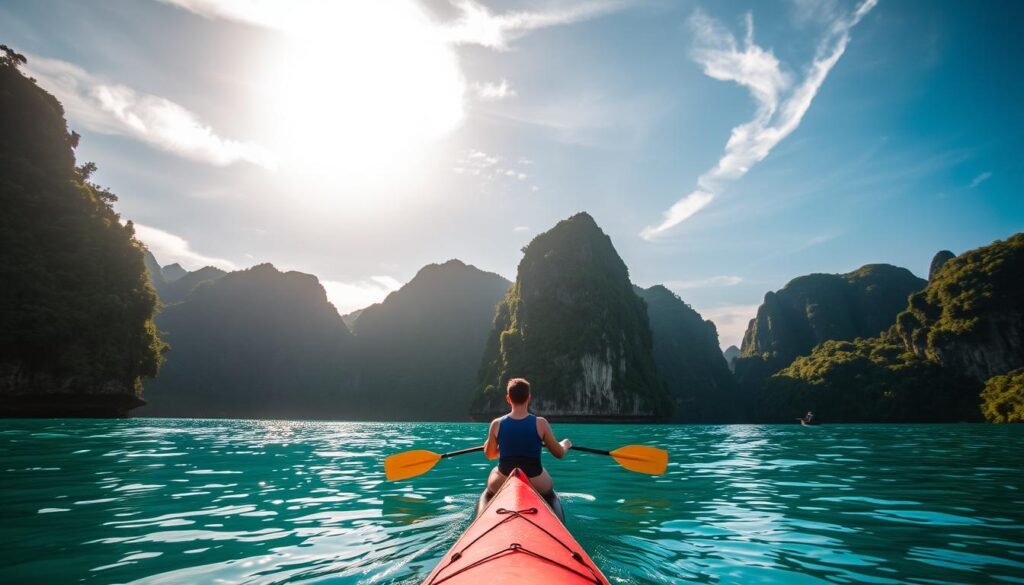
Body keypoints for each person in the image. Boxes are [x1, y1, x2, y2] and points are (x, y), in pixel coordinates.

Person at [483, 377, 571, 496]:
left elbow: (490, 455)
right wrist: (565, 444)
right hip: (535, 480)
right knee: (545, 474)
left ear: (508, 399)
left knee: (494, 472)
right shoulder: (541, 423)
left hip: (505, 478)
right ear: (529, 398)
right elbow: (559, 453)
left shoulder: (496, 424)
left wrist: (494, 447)